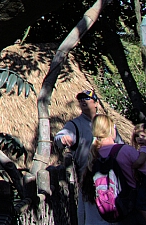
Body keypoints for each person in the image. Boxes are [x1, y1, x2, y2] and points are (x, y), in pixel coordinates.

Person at [55, 90, 125, 224]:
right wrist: (62, 139)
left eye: (87, 98)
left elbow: (120, 146)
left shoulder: (108, 124)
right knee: (88, 217)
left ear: (96, 103)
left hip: (112, 181)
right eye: (80, 99)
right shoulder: (75, 125)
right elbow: (60, 135)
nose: (82, 101)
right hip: (89, 181)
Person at [88, 113, 146, 224]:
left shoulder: (94, 155)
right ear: (111, 130)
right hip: (132, 206)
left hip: (111, 207)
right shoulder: (126, 151)